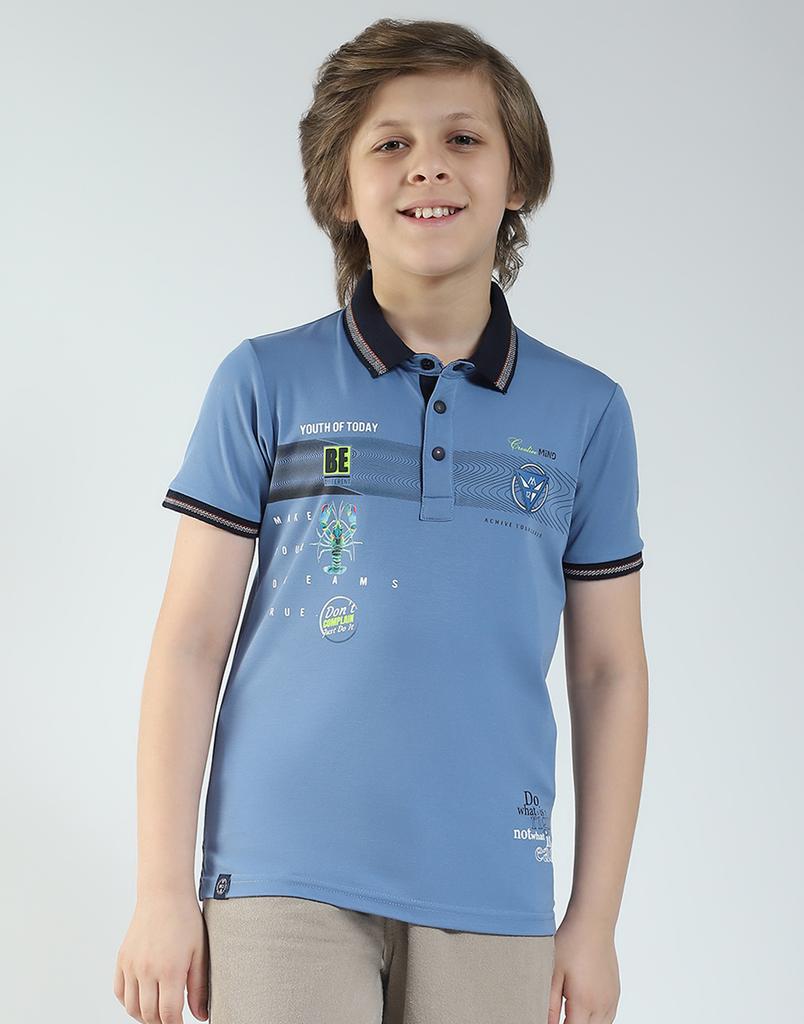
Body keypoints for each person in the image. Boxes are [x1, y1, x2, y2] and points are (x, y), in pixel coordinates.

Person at [114, 17, 648, 1024]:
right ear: (341, 190)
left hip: (493, 884)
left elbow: (609, 672)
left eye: (463, 138)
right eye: (390, 142)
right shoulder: (264, 382)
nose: (428, 167)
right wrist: (159, 890)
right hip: (280, 876)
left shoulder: (587, 414)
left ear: (518, 177)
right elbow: (188, 644)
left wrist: (595, 920)